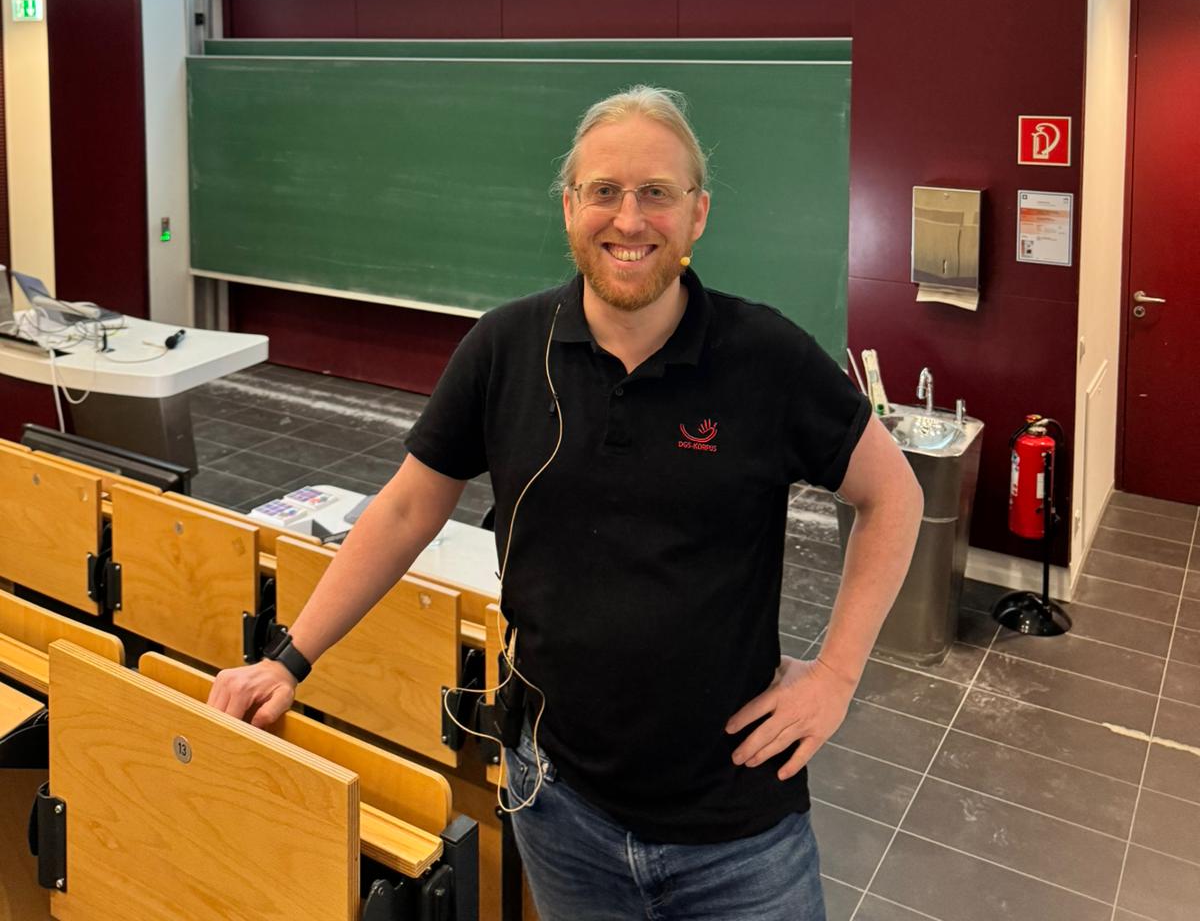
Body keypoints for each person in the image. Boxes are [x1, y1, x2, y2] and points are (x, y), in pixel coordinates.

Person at [209, 86, 922, 920]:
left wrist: (836, 674)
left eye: (657, 192)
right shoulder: (505, 349)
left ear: (698, 215)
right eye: (604, 192)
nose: (630, 219)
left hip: (738, 836)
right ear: (569, 207)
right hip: (559, 808)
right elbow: (406, 511)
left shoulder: (766, 358)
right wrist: (287, 660)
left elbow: (893, 496)